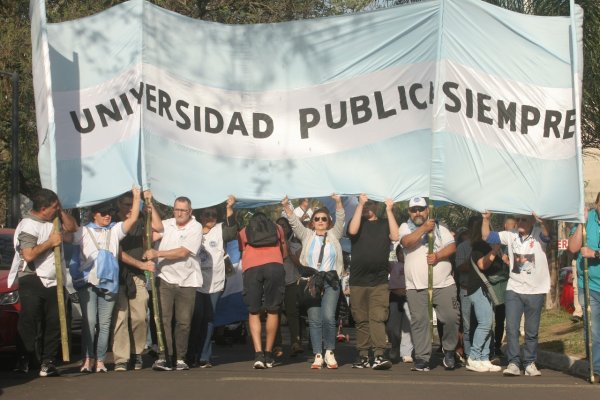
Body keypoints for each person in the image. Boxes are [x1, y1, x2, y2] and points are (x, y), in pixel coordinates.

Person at [9, 188, 79, 377]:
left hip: (55, 279)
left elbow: (72, 229)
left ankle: (48, 361)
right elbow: (29, 254)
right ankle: (24, 358)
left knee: (55, 321)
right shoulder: (28, 225)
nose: (56, 210)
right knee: (30, 319)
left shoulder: (54, 221)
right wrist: (50, 242)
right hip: (32, 278)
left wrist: (61, 210)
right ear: (42, 209)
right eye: (54, 207)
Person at [73, 186, 142, 373]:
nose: (107, 216)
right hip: (89, 282)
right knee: (90, 322)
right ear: (94, 215)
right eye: (103, 213)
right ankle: (87, 359)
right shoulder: (83, 231)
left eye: (110, 213)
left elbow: (133, 218)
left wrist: (137, 197)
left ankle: (101, 360)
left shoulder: (115, 230)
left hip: (109, 283)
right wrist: (62, 209)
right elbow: (68, 234)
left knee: (104, 324)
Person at [482, 211, 550, 377]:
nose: (520, 223)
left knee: (531, 330)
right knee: (511, 328)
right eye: (518, 220)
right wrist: (486, 219)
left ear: (532, 222)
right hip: (514, 289)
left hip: (536, 290)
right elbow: (487, 237)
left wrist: (542, 222)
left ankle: (529, 363)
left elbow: (548, 236)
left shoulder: (538, 234)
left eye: (524, 220)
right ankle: (513, 362)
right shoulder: (511, 235)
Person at [282, 194, 345, 369]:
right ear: (312, 221)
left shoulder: (334, 234)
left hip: (331, 280)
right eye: (317, 218)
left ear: (328, 221)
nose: (320, 221)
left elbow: (341, 218)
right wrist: (287, 206)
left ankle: (330, 352)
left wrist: (338, 202)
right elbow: (294, 222)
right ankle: (318, 354)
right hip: (311, 281)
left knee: (328, 316)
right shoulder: (307, 235)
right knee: (315, 319)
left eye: (324, 219)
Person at [399, 197, 458, 372]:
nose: (417, 212)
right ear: (409, 212)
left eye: (421, 209)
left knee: (451, 317)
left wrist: (438, 256)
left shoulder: (440, 227)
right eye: (414, 209)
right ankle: (422, 358)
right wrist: (424, 229)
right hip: (415, 286)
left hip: (443, 283)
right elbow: (406, 242)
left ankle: (449, 350)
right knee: (420, 321)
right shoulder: (405, 227)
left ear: (427, 210)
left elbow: (452, 246)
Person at [145, 196, 203, 371]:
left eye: (183, 210)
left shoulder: (196, 227)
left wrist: (157, 253)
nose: (179, 213)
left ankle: (180, 358)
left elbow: (183, 252)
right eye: (177, 209)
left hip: (187, 281)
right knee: (163, 320)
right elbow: (154, 229)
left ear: (190, 211)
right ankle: (164, 357)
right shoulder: (167, 223)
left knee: (183, 322)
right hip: (165, 278)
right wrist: (150, 204)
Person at [347, 194, 399, 370]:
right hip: (358, 280)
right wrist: (359, 205)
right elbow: (352, 231)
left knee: (377, 317)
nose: (368, 207)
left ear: (377, 206)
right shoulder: (357, 222)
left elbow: (395, 235)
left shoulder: (384, 223)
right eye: (365, 204)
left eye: (370, 204)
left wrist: (390, 210)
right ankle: (362, 355)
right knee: (361, 319)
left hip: (379, 280)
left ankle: (378, 355)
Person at [187, 196, 238, 368]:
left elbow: (232, 231)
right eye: (207, 215)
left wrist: (230, 208)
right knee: (195, 318)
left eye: (214, 215)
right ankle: (190, 354)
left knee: (208, 319)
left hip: (215, 282)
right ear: (201, 216)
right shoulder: (192, 229)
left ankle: (204, 356)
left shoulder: (219, 229)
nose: (211, 218)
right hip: (194, 282)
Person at [112, 191, 156, 372]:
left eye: (133, 204)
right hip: (118, 276)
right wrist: (141, 264)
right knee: (120, 318)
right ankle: (121, 358)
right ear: (118, 205)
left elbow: (158, 229)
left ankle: (137, 352)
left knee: (139, 316)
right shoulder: (113, 224)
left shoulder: (142, 220)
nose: (130, 208)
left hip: (137, 276)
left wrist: (150, 207)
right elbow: (118, 252)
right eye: (126, 205)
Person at [238, 212, 287, 369]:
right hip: (275, 266)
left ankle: (258, 354)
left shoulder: (244, 231)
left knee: (254, 312)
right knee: (273, 310)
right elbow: (284, 252)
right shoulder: (278, 228)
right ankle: (268, 354)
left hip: (252, 268)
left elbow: (242, 251)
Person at [462, 216, 502, 372]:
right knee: (485, 323)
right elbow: (482, 264)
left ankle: (484, 357)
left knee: (489, 323)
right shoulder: (479, 246)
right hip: (478, 288)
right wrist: (494, 251)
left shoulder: (485, 245)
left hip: (487, 289)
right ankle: (474, 356)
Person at [568, 193, 600, 381]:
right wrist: (581, 223)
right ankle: (596, 368)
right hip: (589, 286)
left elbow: (591, 253)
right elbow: (572, 248)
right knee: (594, 329)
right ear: (596, 204)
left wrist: (595, 254)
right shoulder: (588, 220)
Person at [273, 216, 304, 358]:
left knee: (293, 313)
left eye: (284, 226)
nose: (282, 228)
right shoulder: (270, 245)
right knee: (275, 314)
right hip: (275, 283)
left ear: (289, 228)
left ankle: (295, 342)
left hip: (291, 282)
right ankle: (277, 344)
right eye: (278, 226)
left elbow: (300, 264)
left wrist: (288, 249)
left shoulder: (296, 245)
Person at [386, 244, 414, 364]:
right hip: (394, 297)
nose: (403, 255)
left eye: (405, 253)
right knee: (392, 326)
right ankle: (394, 346)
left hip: (409, 297)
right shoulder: (393, 265)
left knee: (407, 327)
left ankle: (406, 352)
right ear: (396, 254)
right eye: (400, 253)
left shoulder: (413, 266)